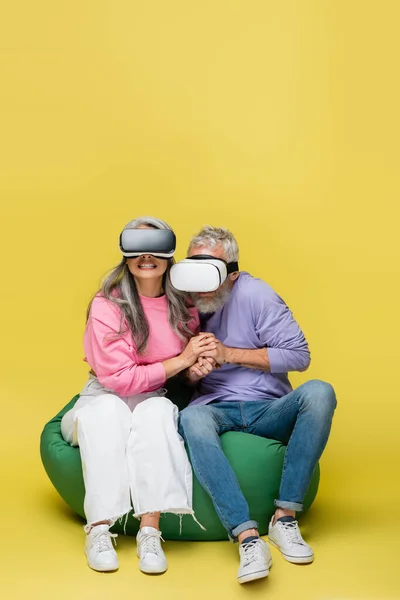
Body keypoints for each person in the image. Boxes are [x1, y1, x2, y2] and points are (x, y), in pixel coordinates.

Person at [178, 226, 337, 584]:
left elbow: (299, 356)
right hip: (214, 406)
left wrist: (228, 354)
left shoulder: (257, 295)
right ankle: (247, 537)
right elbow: (175, 372)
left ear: (231, 273)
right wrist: (192, 372)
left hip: (269, 408)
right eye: (194, 269)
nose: (201, 283)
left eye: (212, 272)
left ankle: (284, 518)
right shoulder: (183, 302)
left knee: (320, 392)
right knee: (191, 418)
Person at [61, 217, 217, 574]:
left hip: (152, 396)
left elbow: (185, 371)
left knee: (157, 413)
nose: (146, 256)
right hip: (104, 395)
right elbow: (118, 379)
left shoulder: (183, 307)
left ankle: (150, 531)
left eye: (156, 247)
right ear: (125, 255)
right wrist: (182, 359)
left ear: (169, 254)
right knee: (108, 414)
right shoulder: (107, 305)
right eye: (136, 247)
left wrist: (193, 370)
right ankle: (99, 529)